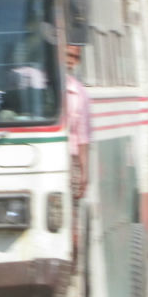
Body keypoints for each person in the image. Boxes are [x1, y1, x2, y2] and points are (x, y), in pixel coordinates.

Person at [63, 43, 90, 198]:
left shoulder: (79, 92)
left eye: (75, 57)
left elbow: (83, 136)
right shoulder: (43, 82)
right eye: (67, 54)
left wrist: (83, 171)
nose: (70, 60)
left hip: (71, 160)